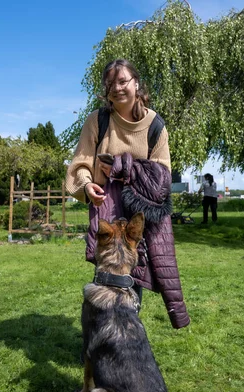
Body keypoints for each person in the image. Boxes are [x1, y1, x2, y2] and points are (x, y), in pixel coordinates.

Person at [65, 59, 190, 329]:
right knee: (107, 272)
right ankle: (100, 334)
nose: (117, 88)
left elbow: (163, 176)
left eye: (122, 81)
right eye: (110, 83)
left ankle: (126, 331)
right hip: (106, 205)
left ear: (136, 83)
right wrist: (87, 185)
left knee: (135, 271)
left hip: (139, 208)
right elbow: (81, 163)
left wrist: (126, 168)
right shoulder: (97, 120)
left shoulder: (155, 126)